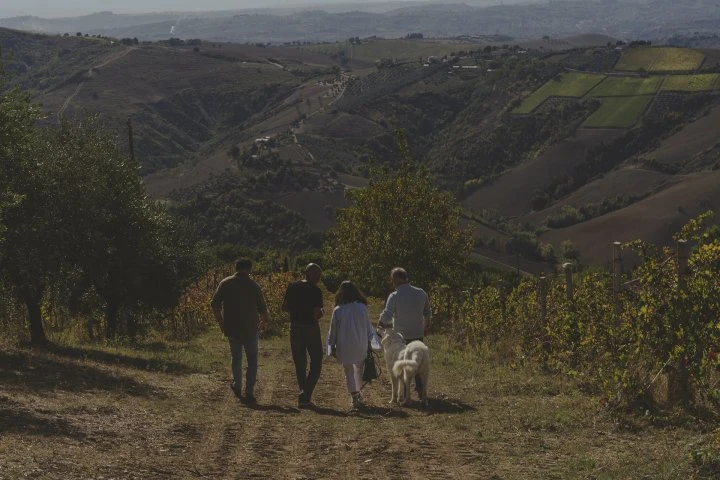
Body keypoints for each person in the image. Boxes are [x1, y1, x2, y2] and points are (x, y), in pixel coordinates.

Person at [211, 258, 268, 405]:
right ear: (249, 269)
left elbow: (215, 304)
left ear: (236, 268)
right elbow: (263, 308)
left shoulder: (225, 283)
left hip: (232, 328)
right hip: (250, 328)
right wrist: (262, 323)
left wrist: (221, 322)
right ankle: (249, 390)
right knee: (252, 360)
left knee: (236, 357)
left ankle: (237, 385)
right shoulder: (253, 285)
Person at [378, 267, 432, 398]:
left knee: (403, 366)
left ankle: (404, 394)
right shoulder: (421, 293)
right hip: (417, 334)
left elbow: (387, 314)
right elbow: (428, 313)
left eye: (392, 279)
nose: (392, 281)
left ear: (396, 279)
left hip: (401, 338)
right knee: (418, 361)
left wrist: (380, 324)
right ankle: (420, 390)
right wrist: (426, 327)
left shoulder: (395, 296)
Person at [326, 281, 381, 411]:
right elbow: (368, 327)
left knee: (348, 371)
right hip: (360, 343)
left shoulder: (338, 310)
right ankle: (357, 393)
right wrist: (369, 342)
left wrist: (332, 346)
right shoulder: (362, 307)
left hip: (344, 344)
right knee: (358, 369)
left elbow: (333, 330)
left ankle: (355, 395)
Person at [282, 263, 324, 408]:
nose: (318, 277)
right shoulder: (316, 291)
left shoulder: (292, 286)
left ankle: (303, 393)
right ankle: (305, 394)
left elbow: (285, 307)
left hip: (295, 327)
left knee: (300, 363)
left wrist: (296, 312)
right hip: (310, 328)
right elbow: (317, 313)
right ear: (308, 274)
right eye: (317, 274)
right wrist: (321, 313)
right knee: (317, 360)